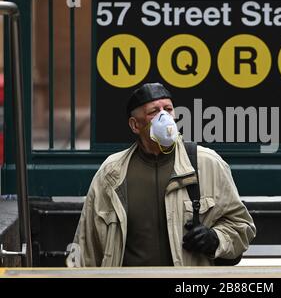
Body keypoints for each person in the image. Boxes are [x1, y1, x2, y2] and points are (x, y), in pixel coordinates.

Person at [66, 82, 256, 267]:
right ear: (135, 125)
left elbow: (241, 227)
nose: (165, 117)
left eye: (168, 109)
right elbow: (86, 246)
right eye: (154, 112)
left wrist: (215, 239)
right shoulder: (111, 174)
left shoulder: (206, 164)